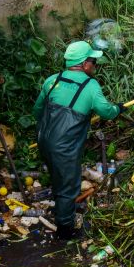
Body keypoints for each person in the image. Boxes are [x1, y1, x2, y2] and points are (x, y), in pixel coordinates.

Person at [33, 41, 125, 239]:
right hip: (64, 147)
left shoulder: (52, 80)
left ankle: (60, 205)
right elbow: (106, 112)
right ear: (84, 64)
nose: (95, 65)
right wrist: (118, 108)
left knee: (58, 175)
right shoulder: (90, 86)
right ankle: (65, 231)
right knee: (69, 185)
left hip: (43, 140)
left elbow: (37, 111)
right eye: (93, 61)